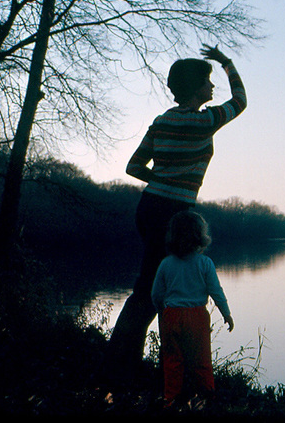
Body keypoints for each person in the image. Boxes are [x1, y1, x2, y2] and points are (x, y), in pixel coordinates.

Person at [102, 44, 246, 389]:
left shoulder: (162, 120)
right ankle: (121, 370)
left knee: (157, 287)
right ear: (195, 87)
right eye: (208, 82)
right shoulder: (203, 121)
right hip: (174, 214)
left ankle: (138, 365)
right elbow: (240, 101)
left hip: (149, 207)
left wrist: (162, 179)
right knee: (151, 292)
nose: (213, 88)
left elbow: (134, 166)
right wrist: (226, 63)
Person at [151, 210, 233, 410]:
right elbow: (216, 291)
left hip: (171, 315)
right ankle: (206, 397)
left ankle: (170, 399)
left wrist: (162, 312)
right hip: (197, 315)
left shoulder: (166, 264)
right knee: (202, 359)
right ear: (200, 236)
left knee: (172, 360)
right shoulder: (205, 263)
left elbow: (156, 294)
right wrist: (226, 313)